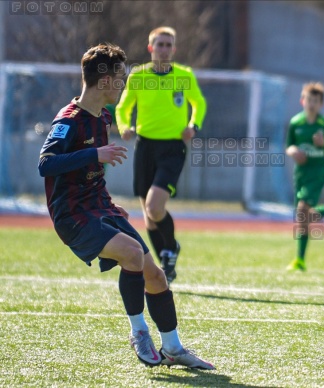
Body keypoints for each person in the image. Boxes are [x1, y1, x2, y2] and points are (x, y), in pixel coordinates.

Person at [38, 43, 214, 370]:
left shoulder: (103, 116)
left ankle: (173, 348)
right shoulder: (69, 119)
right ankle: (138, 332)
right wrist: (96, 155)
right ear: (105, 82)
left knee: (157, 277)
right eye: (120, 78)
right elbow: (46, 164)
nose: (123, 84)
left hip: (99, 209)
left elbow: (89, 177)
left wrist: (108, 204)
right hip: (72, 217)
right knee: (133, 253)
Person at [116, 26, 207, 284]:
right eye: (160, 44)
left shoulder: (184, 75)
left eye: (169, 45)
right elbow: (123, 108)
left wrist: (193, 125)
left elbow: (199, 103)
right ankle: (167, 259)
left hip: (172, 149)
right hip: (145, 147)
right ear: (150, 48)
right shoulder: (138, 76)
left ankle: (171, 248)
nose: (164, 49)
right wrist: (125, 128)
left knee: (155, 208)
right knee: (148, 214)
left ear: (174, 49)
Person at [285, 82, 324, 271]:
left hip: (317, 172)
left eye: (315, 101)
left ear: (321, 104)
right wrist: (294, 152)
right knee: (303, 217)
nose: (311, 103)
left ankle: (300, 260)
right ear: (303, 101)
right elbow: (289, 146)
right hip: (300, 173)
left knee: (302, 211)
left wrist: (323, 143)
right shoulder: (296, 123)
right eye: (308, 99)